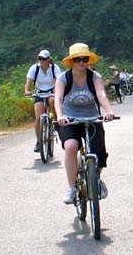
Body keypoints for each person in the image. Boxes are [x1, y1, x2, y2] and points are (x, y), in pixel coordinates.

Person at [55, 42, 116, 204]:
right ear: (71, 61)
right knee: (70, 147)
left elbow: (101, 94)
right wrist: (60, 116)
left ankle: (96, 180)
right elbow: (58, 98)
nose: (81, 62)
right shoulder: (63, 78)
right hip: (69, 120)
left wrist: (109, 111)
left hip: (92, 118)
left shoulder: (95, 77)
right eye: (77, 59)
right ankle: (71, 188)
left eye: (84, 59)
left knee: (99, 153)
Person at [24, 49, 62, 152]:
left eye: (44, 59)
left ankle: (55, 121)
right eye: (40, 58)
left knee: (53, 101)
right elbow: (29, 81)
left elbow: (60, 81)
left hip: (51, 91)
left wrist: (58, 91)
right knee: (38, 117)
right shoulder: (34, 68)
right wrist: (27, 91)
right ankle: (39, 141)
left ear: (49, 59)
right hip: (39, 93)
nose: (42, 61)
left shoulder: (54, 68)